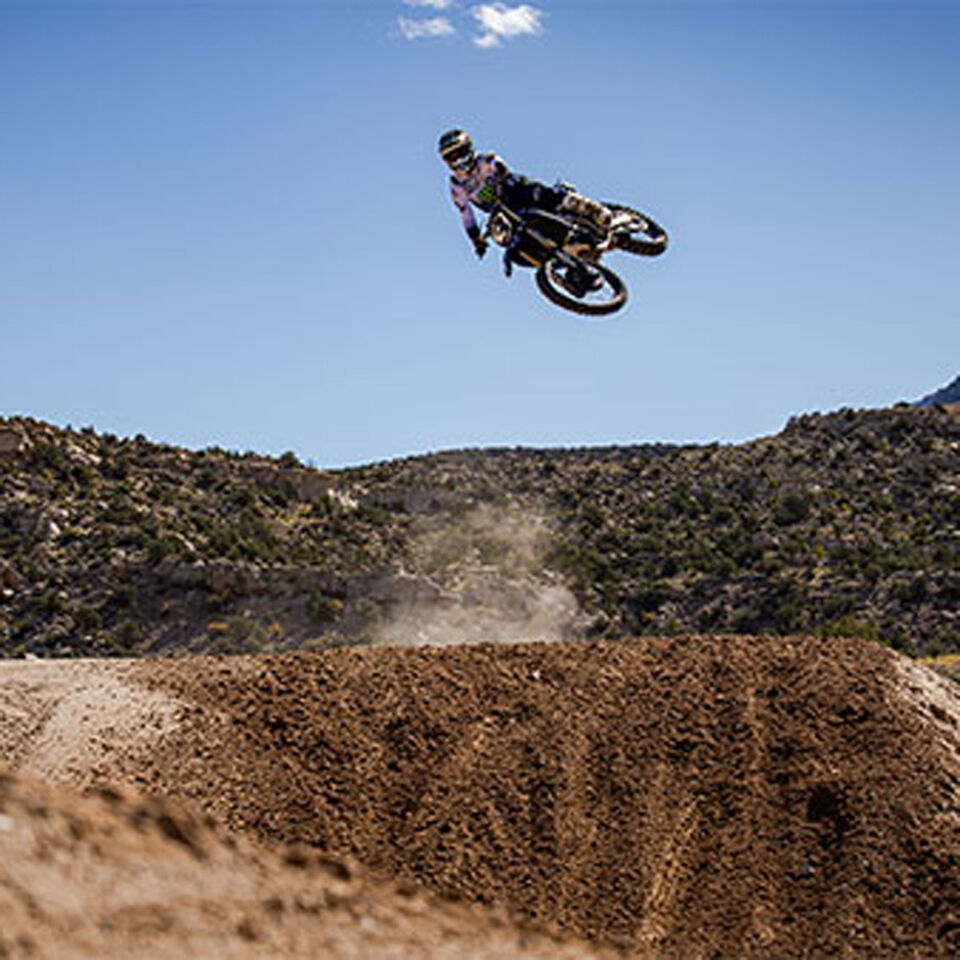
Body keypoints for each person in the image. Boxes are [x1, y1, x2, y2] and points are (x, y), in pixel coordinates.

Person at [438, 129, 612, 261]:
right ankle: (561, 260)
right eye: (451, 156)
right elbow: (465, 214)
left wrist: (501, 177)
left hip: (514, 191)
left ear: (468, 148)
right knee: (510, 243)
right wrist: (476, 240)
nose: (457, 159)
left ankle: (591, 209)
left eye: (459, 152)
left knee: (537, 194)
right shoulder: (457, 185)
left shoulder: (485, 161)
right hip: (501, 212)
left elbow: (501, 168)